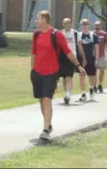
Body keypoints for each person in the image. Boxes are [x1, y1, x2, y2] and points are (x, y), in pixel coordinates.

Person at [31, 10, 85, 141]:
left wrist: (78, 65)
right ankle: (48, 125)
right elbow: (34, 53)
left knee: (47, 99)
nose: (36, 21)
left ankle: (45, 129)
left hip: (51, 72)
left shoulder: (57, 35)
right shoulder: (36, 34)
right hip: (37, 72)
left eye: (38, 18)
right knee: (41, 101)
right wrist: (32, 70)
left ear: (45, 20)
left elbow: (68, 51)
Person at [58, 18, 86, 104]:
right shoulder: (59, 33)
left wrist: (83, 58)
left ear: (71, 24)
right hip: (61, 57)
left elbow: (80, 47)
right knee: (63, 77)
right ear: (63, 24)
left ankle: (68, 95)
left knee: (69, 77)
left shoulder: (76, 33)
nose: (67, 24)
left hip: (72, 57)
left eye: (68, 23)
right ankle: (67, 93)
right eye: (65, 23)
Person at [77, 19, 99, 101]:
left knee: (92, 76)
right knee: (81, 76)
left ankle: (91, 88)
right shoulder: (78, 35)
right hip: (82, 59)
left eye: (86, 25)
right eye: (83, 25)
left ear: (88, 25)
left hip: (91, 58)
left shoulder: (93, 36)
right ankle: (83, 93)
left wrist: (96, 59)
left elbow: (96, 48)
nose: (84, 26)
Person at [93, 21, 107, 93]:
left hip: (102, 55)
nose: (97, 26)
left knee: (102, 71)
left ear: (101, 26)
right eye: (96, 25)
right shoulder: (92, 34)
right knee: (94, 72)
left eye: (98, 25)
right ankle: (94, 86)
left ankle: (100, 84)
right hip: (93, 56)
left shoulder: (104, 34)